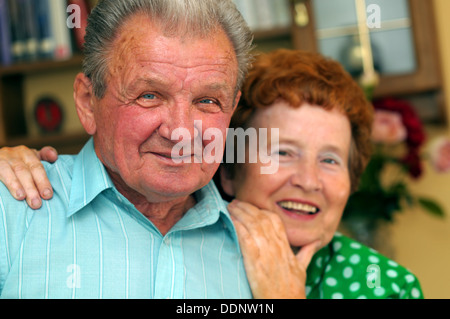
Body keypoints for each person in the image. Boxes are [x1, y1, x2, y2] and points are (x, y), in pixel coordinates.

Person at [0, 49, 424, 299]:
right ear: (229, 169)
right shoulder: (180, 234)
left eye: (330, 160)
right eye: (282, 152)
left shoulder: (385, 286)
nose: (308, 180)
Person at [0, 0, 256, 298]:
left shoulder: (263, 247)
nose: (181, 131)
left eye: (208, 101)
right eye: (149, 95)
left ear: (232, 108)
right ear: (87, 102)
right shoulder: (10, 212)